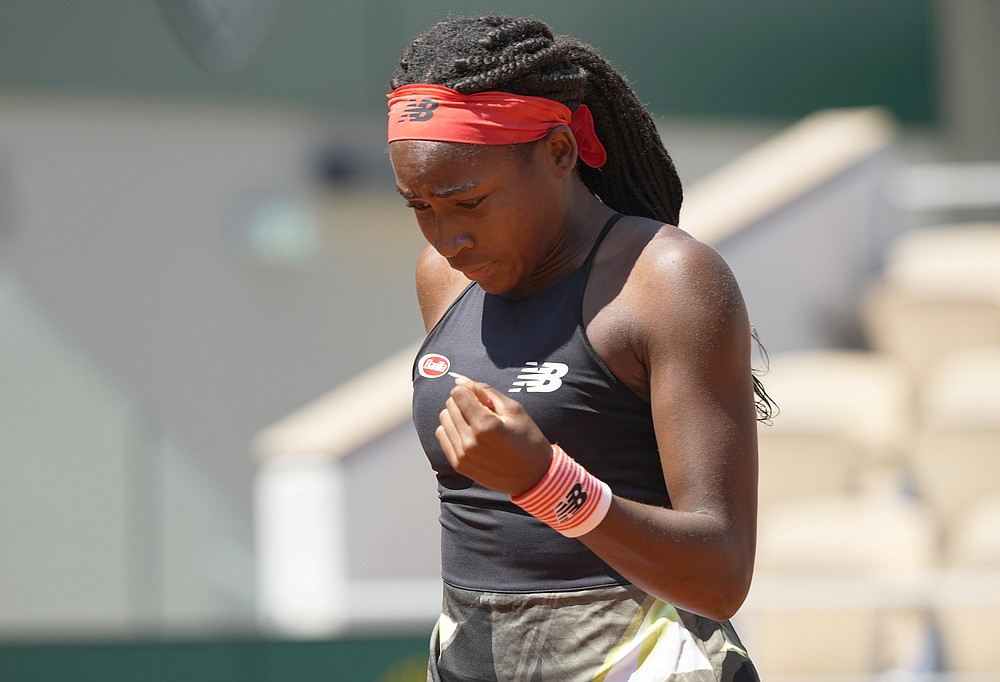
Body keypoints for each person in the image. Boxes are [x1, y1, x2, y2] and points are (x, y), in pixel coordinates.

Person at [387, 15, 773, 681]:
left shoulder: (667, 281)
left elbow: (721, 577)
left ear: (561, 153)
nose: (447, 237)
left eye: (469, 202)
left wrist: (546, 482)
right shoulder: (443, 276)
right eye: (419, 206)